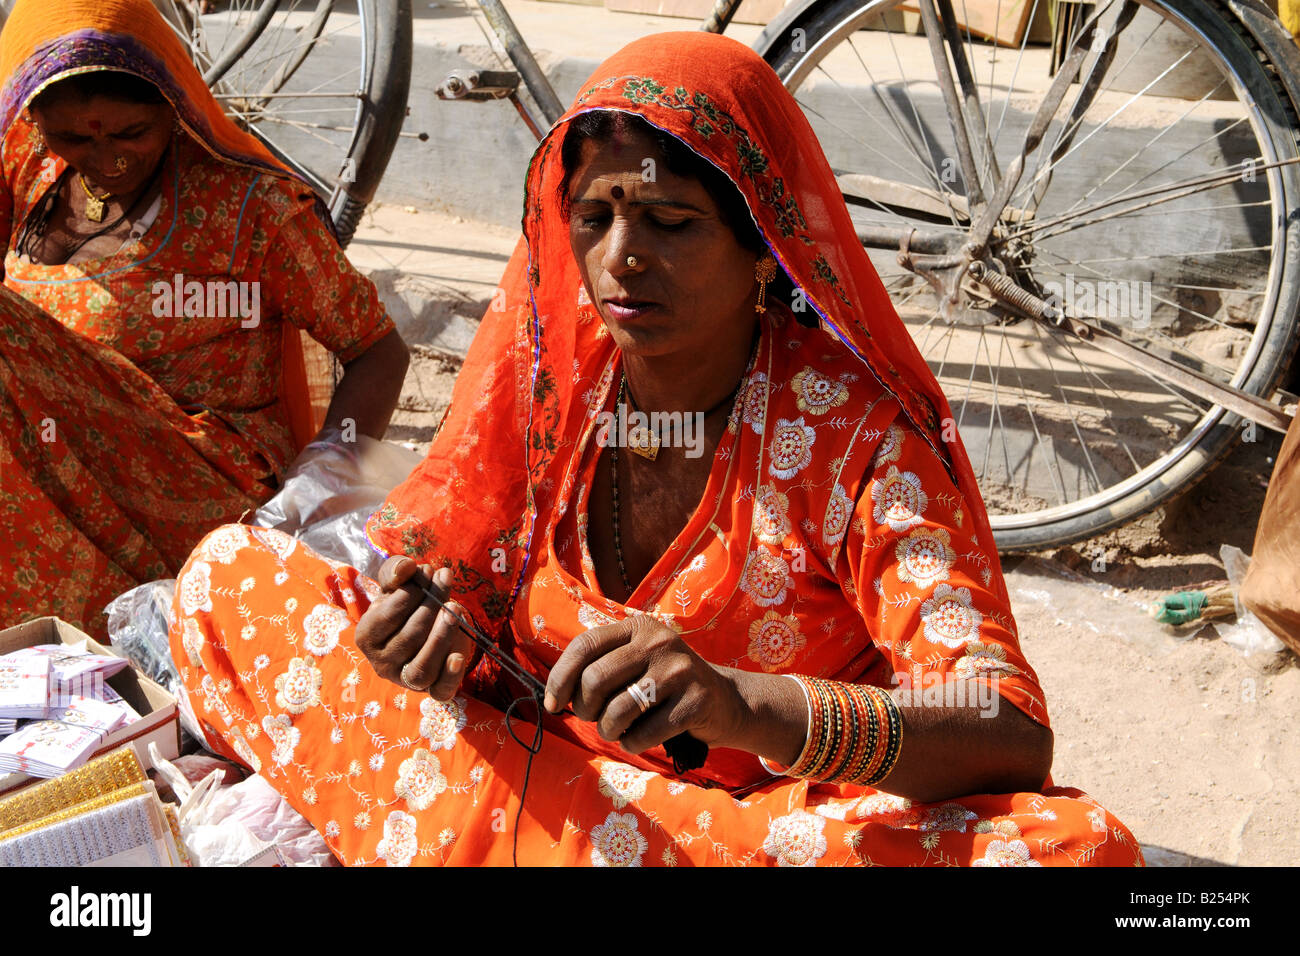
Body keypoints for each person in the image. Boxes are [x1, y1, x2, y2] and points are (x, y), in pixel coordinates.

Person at [169, 32, 1142, 866]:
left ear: (767, 247)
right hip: (544, 762)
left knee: (1076, 849)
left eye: (669, 222)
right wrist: (434, 637)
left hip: (753, 819)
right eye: (592, 219)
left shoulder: (851, 439)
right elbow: (460, 586)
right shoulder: (550, 374)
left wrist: (740, 705)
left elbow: (1005, 729)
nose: (620, 258)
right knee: (227, 580)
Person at [0, 0, 408, 637]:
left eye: (132, 133)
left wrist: (323, 473)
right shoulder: (31, 168)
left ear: (174, 106)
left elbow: (377, 350)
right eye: (76, 136)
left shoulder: (254, 209)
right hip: (57, 442)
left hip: (199, 476)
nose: (106, 158)